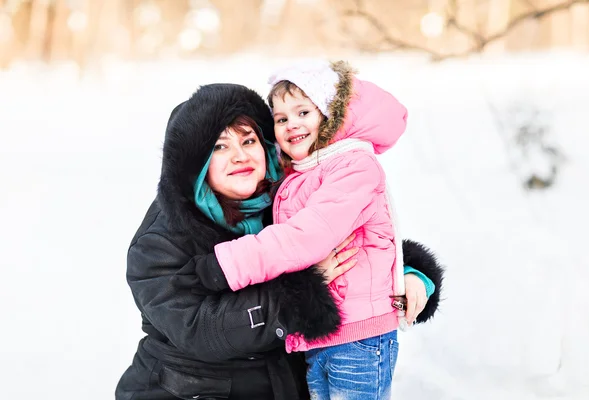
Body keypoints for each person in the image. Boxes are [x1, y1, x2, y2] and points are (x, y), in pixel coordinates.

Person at [206, 61, 446, 399]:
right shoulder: (297, 173)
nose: (292, 125)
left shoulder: (352, 165)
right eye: (281, 118)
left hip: (357, 339)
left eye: (304, 111)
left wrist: (230, 264)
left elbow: (309, 235)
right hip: (319, 336)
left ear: (328, 115)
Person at [115, 83, 358, 400]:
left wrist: (406, 275)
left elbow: (354, 244)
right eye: (219, 147)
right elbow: (200, 329)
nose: (240, 156)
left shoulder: (285, 203)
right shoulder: (160, 241)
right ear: (194, 164)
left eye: (248, 141)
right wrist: (303, 291)